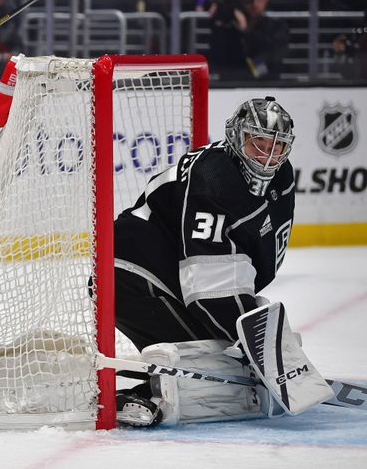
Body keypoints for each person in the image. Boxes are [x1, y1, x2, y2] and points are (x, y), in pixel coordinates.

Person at [112, 97, 331, 427]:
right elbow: (209, 287)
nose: (268, 156)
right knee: (201, 361)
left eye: (277, 145)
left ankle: (166, 380)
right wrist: (244, 338)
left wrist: (245, 322)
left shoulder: (281, 176)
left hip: (172, 270)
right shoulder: (212, 177)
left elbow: (245, 259)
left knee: (218, 348)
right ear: (235, 136)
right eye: (258, 143)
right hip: (128, 271)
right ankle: (142, 394)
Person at [206, 0, 289, 81]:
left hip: (264, 80)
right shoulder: (231, 23)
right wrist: (221, 22)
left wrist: (246, 32)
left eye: (259, 0)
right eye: (249, 0)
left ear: (267, 0)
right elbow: (219, 57)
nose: (254, 4)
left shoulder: (275, 26)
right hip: (232, 79)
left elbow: (266, 63)